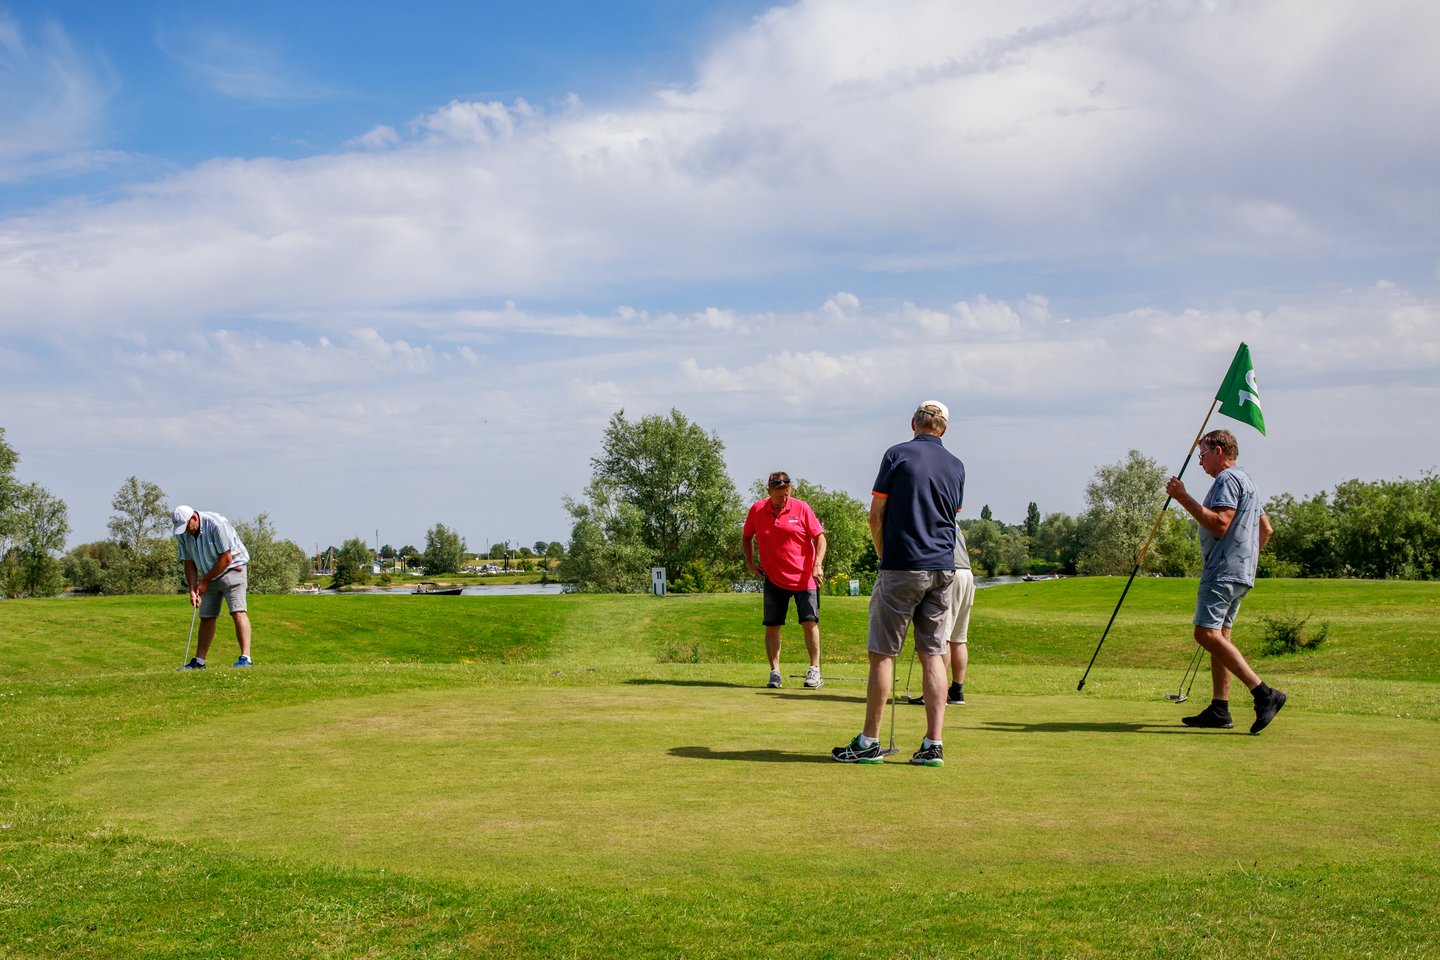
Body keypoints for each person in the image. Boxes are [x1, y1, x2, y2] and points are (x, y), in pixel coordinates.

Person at [833, 401, 965, 766]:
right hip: (944, 568)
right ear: (944, 428)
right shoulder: (956, 466)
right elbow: (951, 518)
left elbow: (876, 513)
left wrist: (883, 553)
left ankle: (869, 741)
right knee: (934, 654)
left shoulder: (896, 455)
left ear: (913, 423)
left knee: (882, 654)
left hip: (902, 565)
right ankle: (933, 744)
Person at [1164, 429, 1284, 734]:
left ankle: (1263, 694)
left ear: (1219, 451)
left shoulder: (1227, 480)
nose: (1201, 462)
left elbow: (1219, 524)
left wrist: (1182, 497)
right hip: (1240, 572)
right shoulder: (1247, 481)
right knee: (1221, 638)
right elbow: (1266, 529)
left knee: (1205, 634)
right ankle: (1220, 709)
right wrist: (1245, 557)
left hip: (1222, 571)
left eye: (1203, 455)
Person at [743, 471, 827, 688]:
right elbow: (746, 536)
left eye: (787, 494)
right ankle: (775, 672)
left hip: (804, 577)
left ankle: (814, 670)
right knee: (773, 625)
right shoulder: (757, 510)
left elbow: (820, 537)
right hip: (773, 577)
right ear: (769, 491)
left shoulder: (801, 508)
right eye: (780, 495)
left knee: (809, 622)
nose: (784, 499)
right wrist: (750, 563)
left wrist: (817, 565)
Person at [172, 505, 254, 669]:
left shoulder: (217, 524)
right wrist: (192, 589)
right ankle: (199, 661)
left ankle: (246, 658)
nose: (186, 531)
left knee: (237, 612)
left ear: (194, 518)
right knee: (207, 616)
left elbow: (226, 559)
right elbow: (188, 562)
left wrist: (204, 582)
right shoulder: (183, 533)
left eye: (187, 526)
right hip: (209, 574)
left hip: (233, 569)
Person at [907, 524, 972, 707]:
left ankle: (937, 694)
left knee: (940, 637)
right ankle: (956, 691)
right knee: (958, 637)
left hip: (951, 572)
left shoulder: (934, 516)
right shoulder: (952, 519)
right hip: (967, 573)